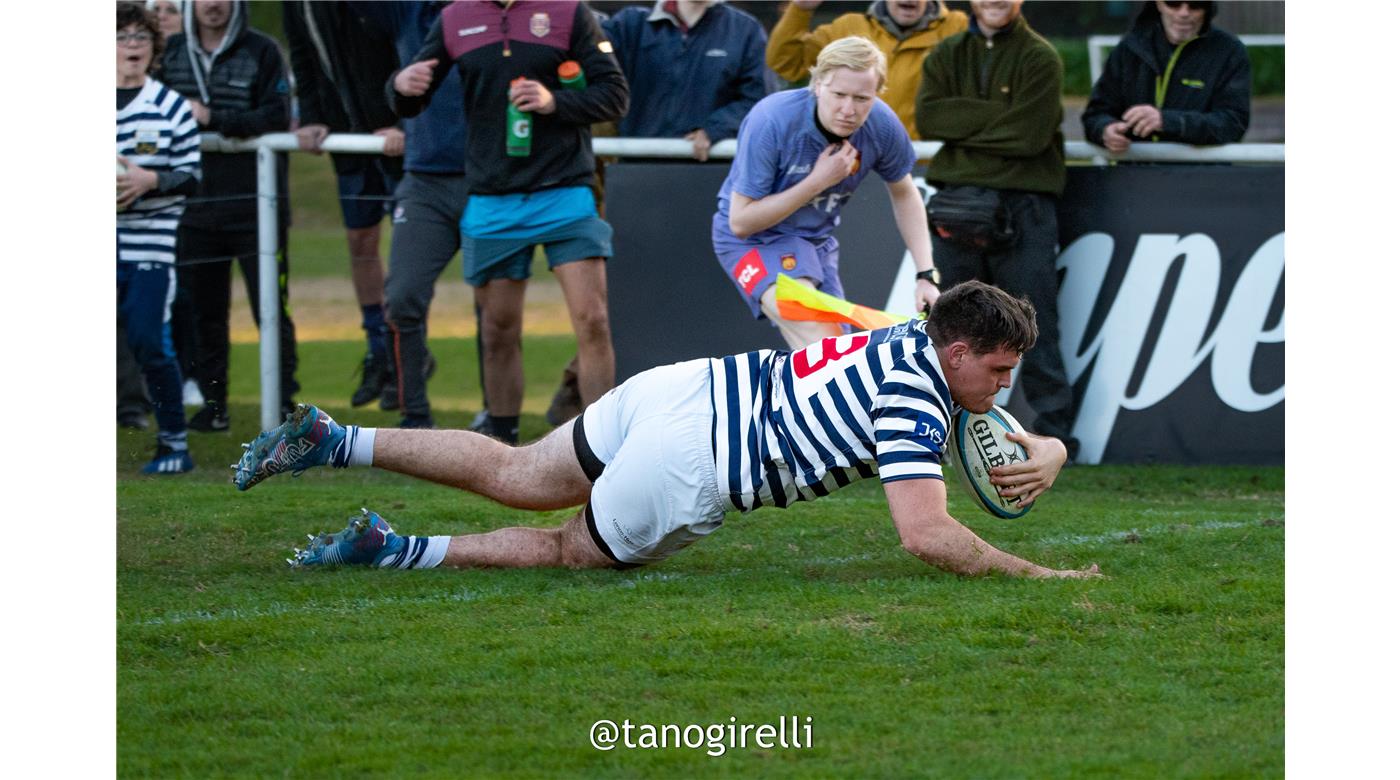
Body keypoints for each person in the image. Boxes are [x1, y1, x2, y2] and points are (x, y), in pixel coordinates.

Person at [233, 281, 1099, 580]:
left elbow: (986, 407)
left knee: (522, 470)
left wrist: (1051, 449)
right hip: (700, 459)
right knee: (572, 550)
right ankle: (391, 547)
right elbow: (926, 536)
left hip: (687, 388)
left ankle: (334, 439)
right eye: (997, 366)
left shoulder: (917, 329)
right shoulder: (918, 400)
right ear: (956, 349)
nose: (1005, 382)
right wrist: (1036, 573)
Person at [388, 0, 628, 445]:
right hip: (492, 198)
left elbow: (615, 95)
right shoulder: (454, 18)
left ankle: (604, 448)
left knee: (592, 319)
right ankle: (503, 445)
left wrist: (553, 100)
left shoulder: (568, 12)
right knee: (499, 330)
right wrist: (401, 85)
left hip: (565, 191)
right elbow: (412, 99)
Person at [914, 0, 1080, 461]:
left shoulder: (1040, 56)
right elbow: (929, 119)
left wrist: (963, 133)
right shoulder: (945, 53)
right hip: (956, 206)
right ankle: (938, 437)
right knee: (948, 327)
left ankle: (1057, 439)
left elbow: (1029, 135)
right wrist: (999, 115)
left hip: (1024, 208)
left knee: (1035, 323)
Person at [713, 36, 938, 350]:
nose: (848, 109)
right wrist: (817, 181)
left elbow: (905, 192)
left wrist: (925, 273)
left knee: (844, 356)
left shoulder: (882, 125)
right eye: (839, 94)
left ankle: (786, 399)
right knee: (826, 350)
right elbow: (741, 221)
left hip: (815, 243)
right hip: (753, 241)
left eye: (862, 98)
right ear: (817, 84)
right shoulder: (772, 120)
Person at [160, 0, 299, 431]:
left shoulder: (263, 50)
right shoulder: (171, 53)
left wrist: (212, 118)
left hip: (258, 205)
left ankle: (283, 404)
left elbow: (277, 115)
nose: (214, 5)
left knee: (270, 306)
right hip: (195, 206)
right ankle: (213, 401)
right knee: (204, 311)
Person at [283, 1, 406, 408]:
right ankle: (379, 349)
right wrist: (314, 114)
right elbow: (303, 54)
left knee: (410, 252)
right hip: (346, 136)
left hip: (397, 136)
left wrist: (407, 120)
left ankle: (407, 355)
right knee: (360, 243)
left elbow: (409, 44)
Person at [351, 0, 463, 429]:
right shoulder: (407, 11)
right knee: (401, 298)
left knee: (496, 312)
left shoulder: (500, 13)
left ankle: (498, 422)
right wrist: (396, 84)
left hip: (493, 180)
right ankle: (414, 415)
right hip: (425, 181)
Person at [117, 1, 201, 474]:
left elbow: (191, 176)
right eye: (122, 37)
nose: (132, 46)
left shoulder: (170, 106)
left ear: (154, 47)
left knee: (150, 340)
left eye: (141, 38)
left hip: (150, 243)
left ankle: (174, 444)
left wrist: (151, 181)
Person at [765, 1, 966, 140]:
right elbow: (786, 64)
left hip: (925, 161)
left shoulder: (957, 27)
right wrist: (800, 9)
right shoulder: (847, 26)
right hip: (853, 159)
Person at [602, 0, 770, 162]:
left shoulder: (744, 30)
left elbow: (758, 99)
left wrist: (716, 129)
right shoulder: (629, 25)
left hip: (713, 165)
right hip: (635, 165)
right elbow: (592, 56)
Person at [1082, 1, 1250, 152]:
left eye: (1195, 5)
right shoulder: (1130, 47)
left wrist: (1167, 121)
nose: (1184, 13)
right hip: (1133, 176)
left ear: (1207, 8)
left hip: (1201, 178)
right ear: (1158, 4)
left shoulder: (1229, 50)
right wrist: (1105, 130)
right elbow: (1095, 114)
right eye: (1173, 3)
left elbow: (1233, 124)